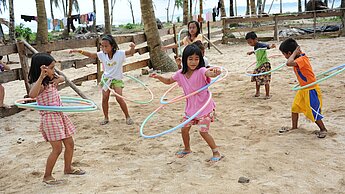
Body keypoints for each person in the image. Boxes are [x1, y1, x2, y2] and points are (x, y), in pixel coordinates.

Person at [150, 44, 223, 162]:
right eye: (190, 59)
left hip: (204, 109)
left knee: (203, 132)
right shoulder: (180, 74)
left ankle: (216, 152)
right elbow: (169, 81)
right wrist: (159, 77)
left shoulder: (201, 71)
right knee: (184, 128)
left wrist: (216, 72)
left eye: (196, 59)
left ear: (200, 60)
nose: (194, 62)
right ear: (185, 59)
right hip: (191, 109)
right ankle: (187, 149)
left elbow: (210, 73)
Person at [28, 53, 85, 185]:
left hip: (60, 116)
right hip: (50, 119)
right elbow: (31, 95)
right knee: (57, 149)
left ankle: (68, 168)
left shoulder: (51, 79)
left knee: (70, 144)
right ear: (43, 69)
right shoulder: (41, 84)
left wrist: (58, 79)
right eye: (52, 68)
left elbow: (63, 78)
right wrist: (42, 77)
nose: (54, 70)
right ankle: (47, 176)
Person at [70, 34, 136, 125]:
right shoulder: (102, 54)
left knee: (119, 98)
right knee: (105, 98)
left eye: (106, 46)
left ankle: (128, 116)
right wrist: (79, 51)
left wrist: (133, 47)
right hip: (106, 78)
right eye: (102, 46)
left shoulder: (119, 53)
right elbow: (91, 54)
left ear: (112, 46)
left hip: (117, 78)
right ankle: (106, 118)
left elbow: (130, 52)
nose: (103, 48)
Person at [278, 38, 327, 138]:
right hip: (303, 89)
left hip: (310, 89)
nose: (284, 57)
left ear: (289, 53)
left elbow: (288, 63)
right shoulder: (298, 57)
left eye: (284, 54)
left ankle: (323, 129)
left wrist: (294, 52)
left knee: (313, 111)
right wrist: (295, 51)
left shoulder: (302, 59)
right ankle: (294, 127)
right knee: (294, 108)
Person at [245, 31, 276, 99]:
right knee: (256, 78)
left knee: (266, 79)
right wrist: (252, 52)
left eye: (250, 42)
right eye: (248, 42)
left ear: (255, 39)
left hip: (265, 64)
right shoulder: (256, 46)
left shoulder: (260, 45)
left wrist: (271, 46)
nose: (249, 44)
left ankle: (267, 94)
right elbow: (258, 50)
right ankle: (257, 92)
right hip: (259, 64)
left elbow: (266, 46)